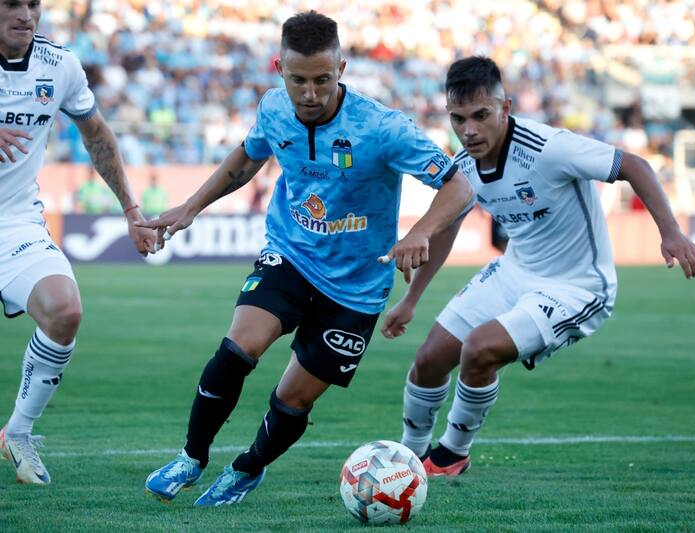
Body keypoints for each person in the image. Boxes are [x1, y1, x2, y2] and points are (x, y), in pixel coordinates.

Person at [140, 11, 472, 506]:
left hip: (358, 288)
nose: (310, 94)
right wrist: (191, 206)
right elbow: (248, 156)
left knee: (292, 399)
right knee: (238, 348)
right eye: (299, 80)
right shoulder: (273, 108)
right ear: (279, 69)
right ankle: (191, 457)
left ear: (343, 67)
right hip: (291, 254)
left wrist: (420, 231)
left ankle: (247, 468)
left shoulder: (381, 128)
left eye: (323, 79)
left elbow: (459, 186)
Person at [381, 57, 695, 477]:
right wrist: (411, 299)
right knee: (429, 357)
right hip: (516, 271)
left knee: (479, 349)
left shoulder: (549, 148)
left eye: (481, 116)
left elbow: (634, 166)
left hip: (577, 287)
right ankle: (407, 459)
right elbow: (443, 232)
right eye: (458, 119)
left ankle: (451, 453)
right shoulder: (463, 168)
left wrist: (671, 232)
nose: (469, 130)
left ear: (506, 107)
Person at [0, 0, 154, 485]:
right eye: (11, 4)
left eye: (33, 4)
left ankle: (17, 433)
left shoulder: (59, 65)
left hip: (14, 223)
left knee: (64, 310)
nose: (25, 14)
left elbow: (97, 134)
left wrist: (131, 211)